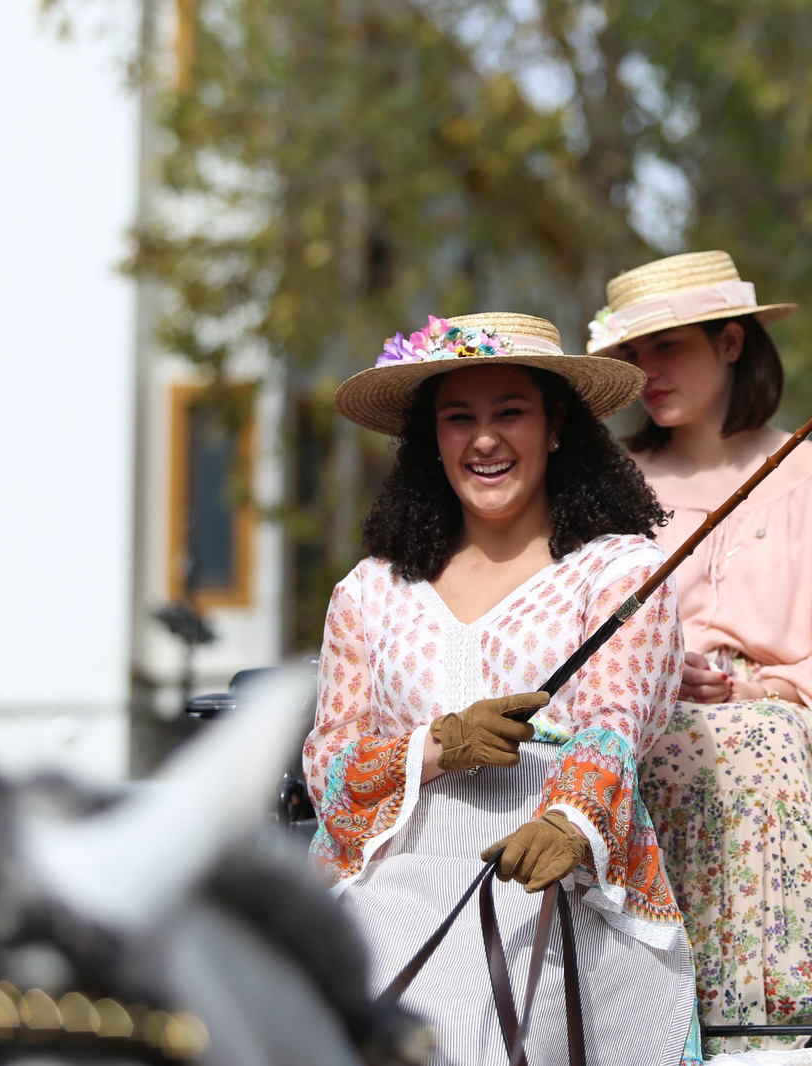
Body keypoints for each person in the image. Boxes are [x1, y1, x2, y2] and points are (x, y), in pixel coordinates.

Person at [304, 312, 701, 1066]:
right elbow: (329, 764)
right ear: (434, 441)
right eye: (459, 419)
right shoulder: (367, 593)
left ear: (555, 427)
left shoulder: (618, 573)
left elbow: (616, 724)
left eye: (509, 412)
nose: (484, 439)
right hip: (387, 876)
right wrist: (435, 747)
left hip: (558, 876)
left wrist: (569, 822)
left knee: (468, 1029)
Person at [588, 251, 812, 1049]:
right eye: (632, 356)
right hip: (650, 712)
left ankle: (791, 1025)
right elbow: (588, 638)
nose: (648, 372)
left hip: (785, 718)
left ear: (731, 343)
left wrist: (755, 690)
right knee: (646, 756)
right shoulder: (609, 485)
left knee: (755, 743)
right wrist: (659, 675)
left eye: (667, 347)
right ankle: (665, 1030)